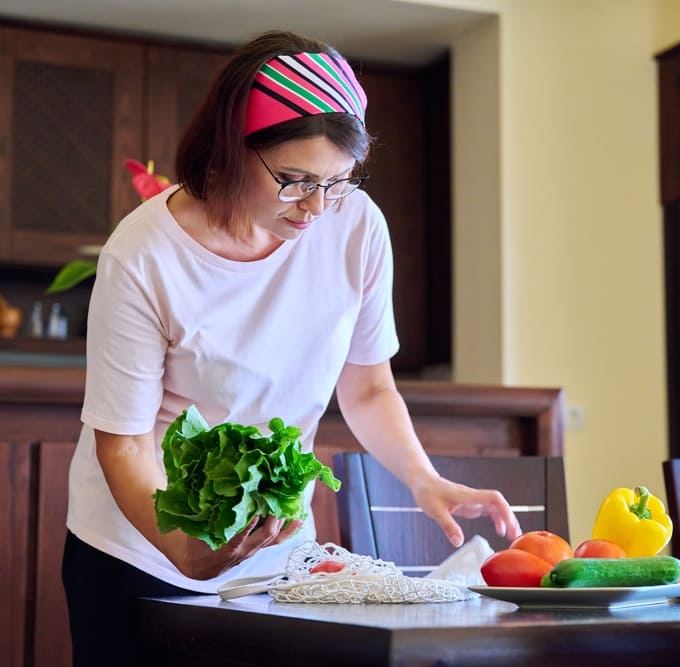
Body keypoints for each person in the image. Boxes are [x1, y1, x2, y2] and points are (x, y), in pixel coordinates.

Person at [61, 29, 522, 666]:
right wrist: (181, 544)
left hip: (274, 553)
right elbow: (126, 441)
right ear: (230, 146)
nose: (316, 207)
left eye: (338, 182)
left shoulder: (355, 225)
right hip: (139, 548)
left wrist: (425, 479)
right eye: (296, 180)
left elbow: (367, 386)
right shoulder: (144, 255)